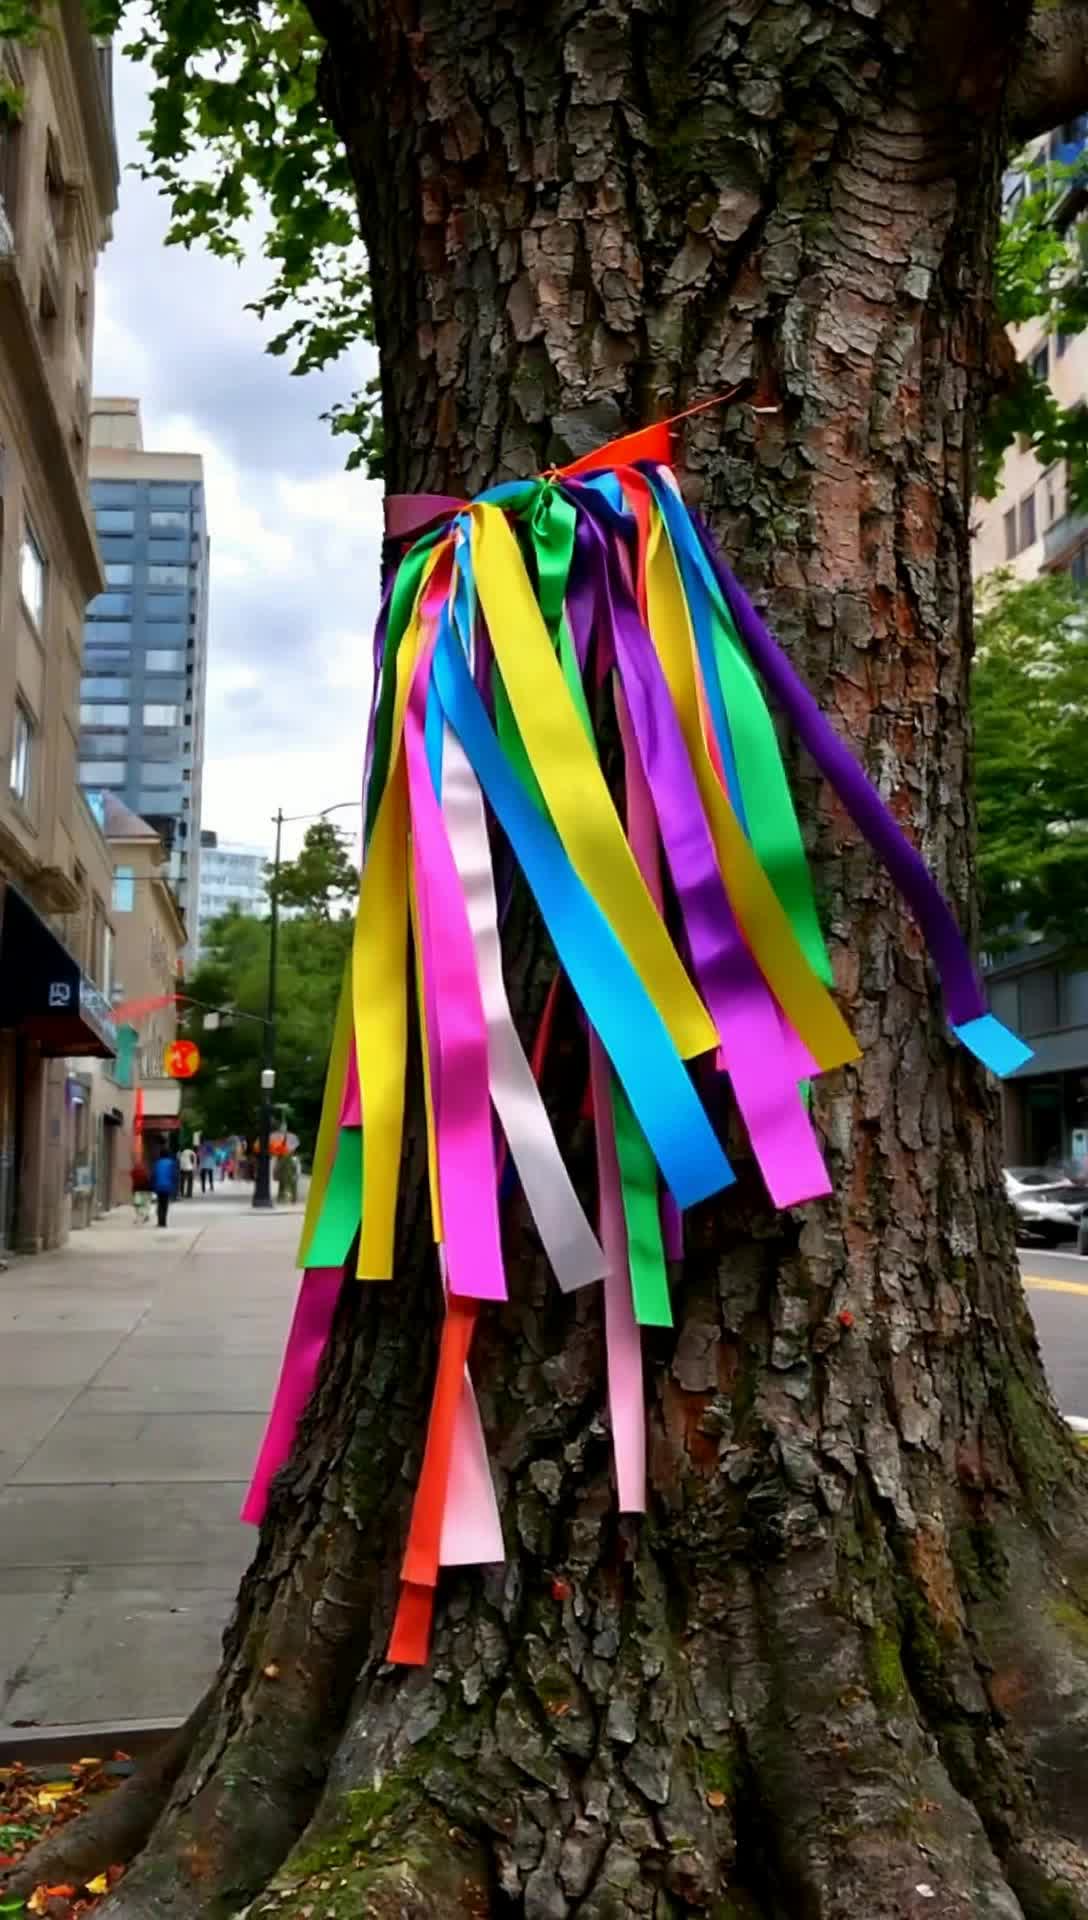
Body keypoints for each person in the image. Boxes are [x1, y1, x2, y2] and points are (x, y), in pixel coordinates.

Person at [150, 1145, 178, 1228]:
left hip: (158, 1186)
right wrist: (175, 1187)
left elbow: (153, 1175)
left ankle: (160, 1221)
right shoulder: (172, 1163)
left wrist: (152, 1185)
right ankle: (164, 1221)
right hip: (167, 1186)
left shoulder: (157, 1163)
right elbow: (174, 1175)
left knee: (160, 1203)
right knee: (165, 1204)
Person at [130, 1157, 151, 1225]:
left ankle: (139, 1216)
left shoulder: (134, 1171)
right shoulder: (145, 1171)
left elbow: (132, 1176)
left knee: (137, 1204)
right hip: (146, 1189)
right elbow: (148, 1179)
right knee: (145, 1203)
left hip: (137, 1189)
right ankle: (146, 1215)